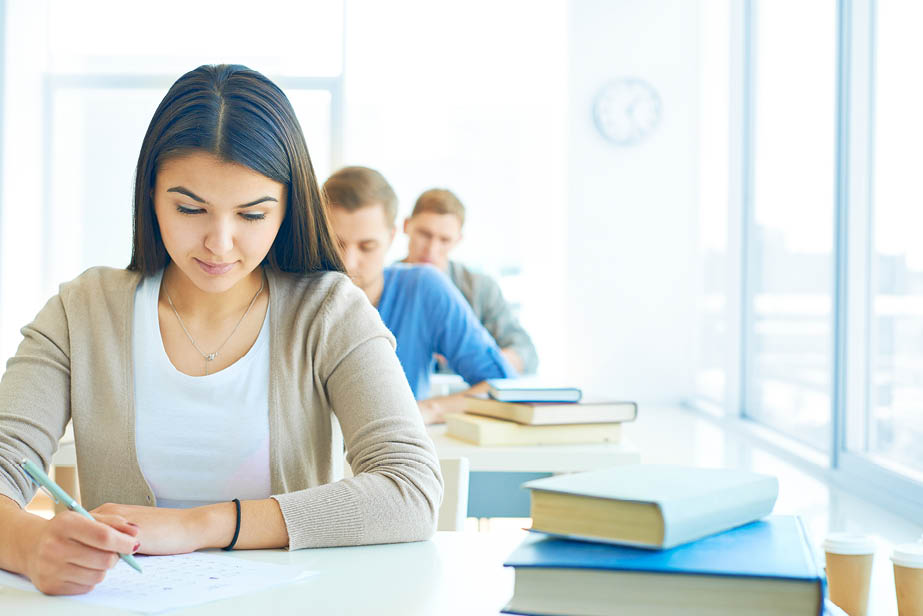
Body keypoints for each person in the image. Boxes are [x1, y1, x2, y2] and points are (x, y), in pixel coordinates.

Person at [0, 65, 442, 596]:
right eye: (190, 208)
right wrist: (30, 544)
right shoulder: (82, 312)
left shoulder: (329, 312)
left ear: (288, 208)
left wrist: (198, 525)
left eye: (252, 215)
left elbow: (410, 489)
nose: (220, 243)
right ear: (150, 195)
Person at [322, 167, 515, 425]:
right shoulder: (292, 293)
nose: (348, 263)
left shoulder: (424, 288)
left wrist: (429, 409)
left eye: (367, 247)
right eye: (336, 243)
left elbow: (504, 387)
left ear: (392, 237)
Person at [403, 189, 538, 374]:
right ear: (406, 226)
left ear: (458, 240)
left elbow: (526, 352)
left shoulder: (481, 289)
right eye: (425, 234)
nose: (432, 249)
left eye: (444, 240)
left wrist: (479, 359)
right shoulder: (380, 284)